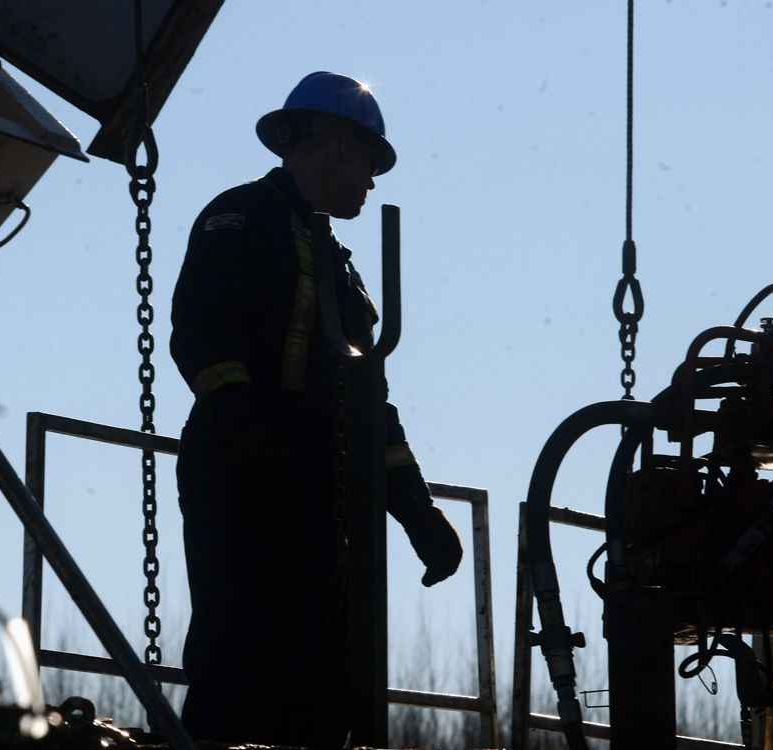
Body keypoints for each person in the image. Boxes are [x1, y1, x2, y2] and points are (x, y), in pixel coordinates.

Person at [170, 71, 463, 745]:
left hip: (320, 495)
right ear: (336, 145)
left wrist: (416, 510)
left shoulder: (343, 270)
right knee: (237, 655)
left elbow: (371, 411)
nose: (372, 181)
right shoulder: (241, 217)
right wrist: (246, 429)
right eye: (369, 161)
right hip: (239, 479)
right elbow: (203, 332)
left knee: (326, 680)